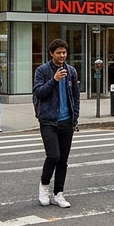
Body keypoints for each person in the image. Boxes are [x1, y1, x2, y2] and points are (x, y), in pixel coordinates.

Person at [33, 39, 80, 208]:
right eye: (59, 52)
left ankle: (58, 193)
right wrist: (54, 80)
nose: (62, 55)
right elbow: (39, 93)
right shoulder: (42, 71)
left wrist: (75, 118)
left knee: (63, 160)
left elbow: (75, 95)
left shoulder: (71, 71)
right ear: (51, 53)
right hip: (48, 120)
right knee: (53, 155)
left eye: (64, 52)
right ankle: (44, 186)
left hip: (66, 121)